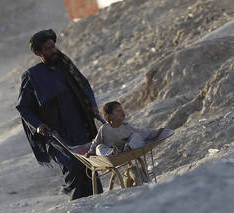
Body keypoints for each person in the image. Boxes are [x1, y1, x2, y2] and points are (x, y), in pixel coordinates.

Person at [16, 29, 103, 201]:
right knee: (73, 166)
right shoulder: (32, 76)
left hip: (80, 128)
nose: (53, 51)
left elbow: (84, 85)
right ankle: (78, 205)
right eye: (48, 49)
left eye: (53, 46)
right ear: (39, 53)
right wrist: (39, 125)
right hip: (56, 134)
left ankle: (98, 200)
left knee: (89, 164)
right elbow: (24, 108)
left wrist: (92, 105)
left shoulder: (66, 67)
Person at [88, 101, 164, 156]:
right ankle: (112, 153)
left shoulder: (126, 126)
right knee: (99, 147)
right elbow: (96, 142)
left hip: (126, 148)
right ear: (110, 116)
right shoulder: (104, 129)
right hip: (111, 151)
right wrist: (91, 152)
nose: (122, 112)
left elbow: (142, 132)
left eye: (122, 110)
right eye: (118, 111)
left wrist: (156, 132)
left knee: (136, 135)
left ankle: (130, 147)